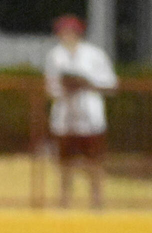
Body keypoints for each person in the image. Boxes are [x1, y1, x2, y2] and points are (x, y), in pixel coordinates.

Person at [44, 14, 117, 209]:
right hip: (65, 117)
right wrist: (66, 86)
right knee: (65, 164)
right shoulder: (55, 56)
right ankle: (64, 201)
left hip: (90, 117)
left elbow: (110, 83)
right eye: (63, 32)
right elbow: (50, 87)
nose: (67, 36)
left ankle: (96, 201)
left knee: (94, 162)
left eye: (71, 32)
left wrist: (87, 83)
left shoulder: (94, 55)